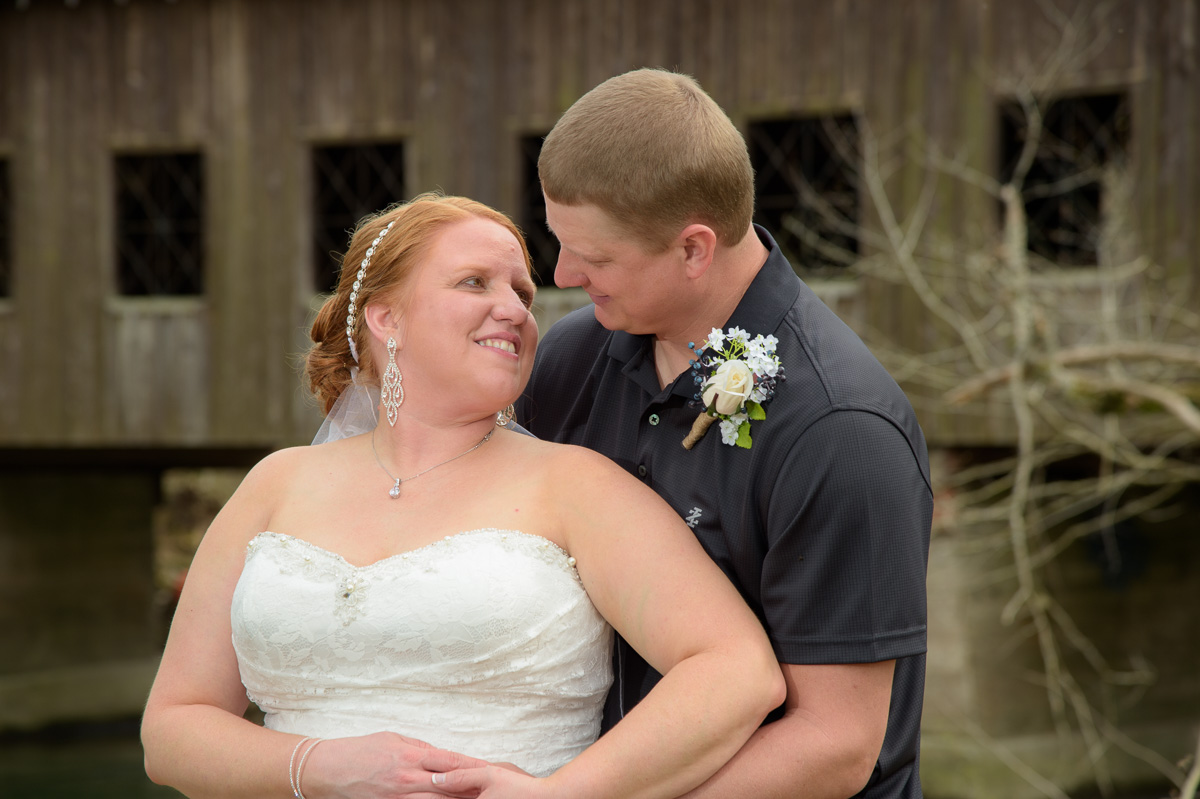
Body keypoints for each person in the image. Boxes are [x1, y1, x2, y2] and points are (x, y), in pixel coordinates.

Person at [140, 193, 785, 799]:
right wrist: (317, 766)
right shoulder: (275, 485)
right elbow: (171, 730)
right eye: (475, 282)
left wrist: (565, 794)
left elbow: (736, 670)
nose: (515, 308)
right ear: (386, 317)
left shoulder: (577, 486)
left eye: (522, 293)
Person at [517, 69, 934, 798]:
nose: (563, 272)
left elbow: (835, 743)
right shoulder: (569, 359)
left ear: (693, 249)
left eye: (597, 256)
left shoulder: (841, 433)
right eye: (560, 241)